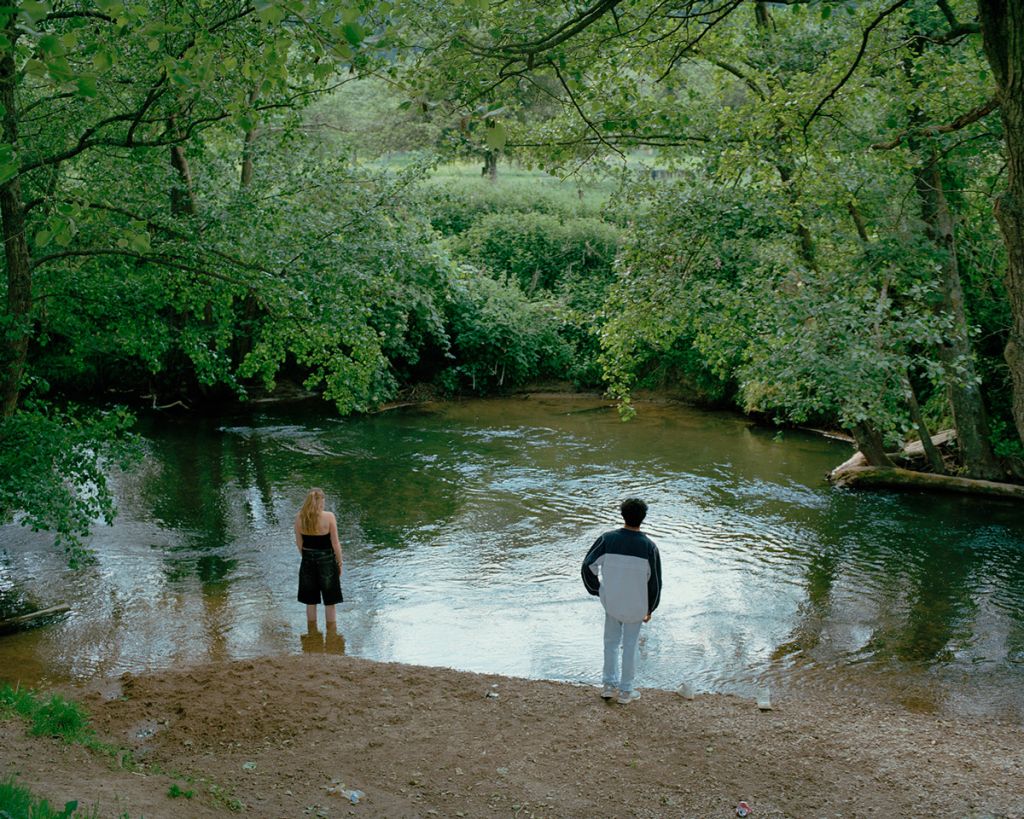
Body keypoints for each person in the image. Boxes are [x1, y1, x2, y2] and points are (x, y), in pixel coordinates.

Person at [581, 497, 662, 705]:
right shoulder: (649, 547)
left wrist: (598, 590)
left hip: (612, 602)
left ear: (622, 514)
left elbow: (587, 566)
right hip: (637, 605)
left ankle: (608, 685)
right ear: (643, 519)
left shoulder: (607, 540)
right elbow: (655, 583)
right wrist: (650, 609)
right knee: (630, 645)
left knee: (610, 643)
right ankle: (626, 691)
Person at [295, 487, 344, 627]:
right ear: (321, 501)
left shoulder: (299, 517)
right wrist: (339, 563)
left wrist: (306, 557)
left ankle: (312, 632)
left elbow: (299, 543)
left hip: (307, 559)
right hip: (327, 560)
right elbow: (335, 543)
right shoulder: (329, 517)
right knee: (330, 601)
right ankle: (332, 634)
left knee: (310, 601)